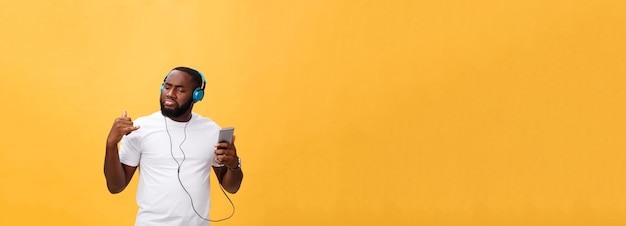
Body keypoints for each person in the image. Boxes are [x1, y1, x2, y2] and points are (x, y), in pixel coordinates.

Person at [104, 66, 243, 226]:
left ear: (197, 95)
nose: (170, 94)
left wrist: (234, 164)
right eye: (167, 87)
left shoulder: (211, 130)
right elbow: (115, 187)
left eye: (180, 90)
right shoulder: (139, 129)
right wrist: (111, 145)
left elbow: (232, 188)